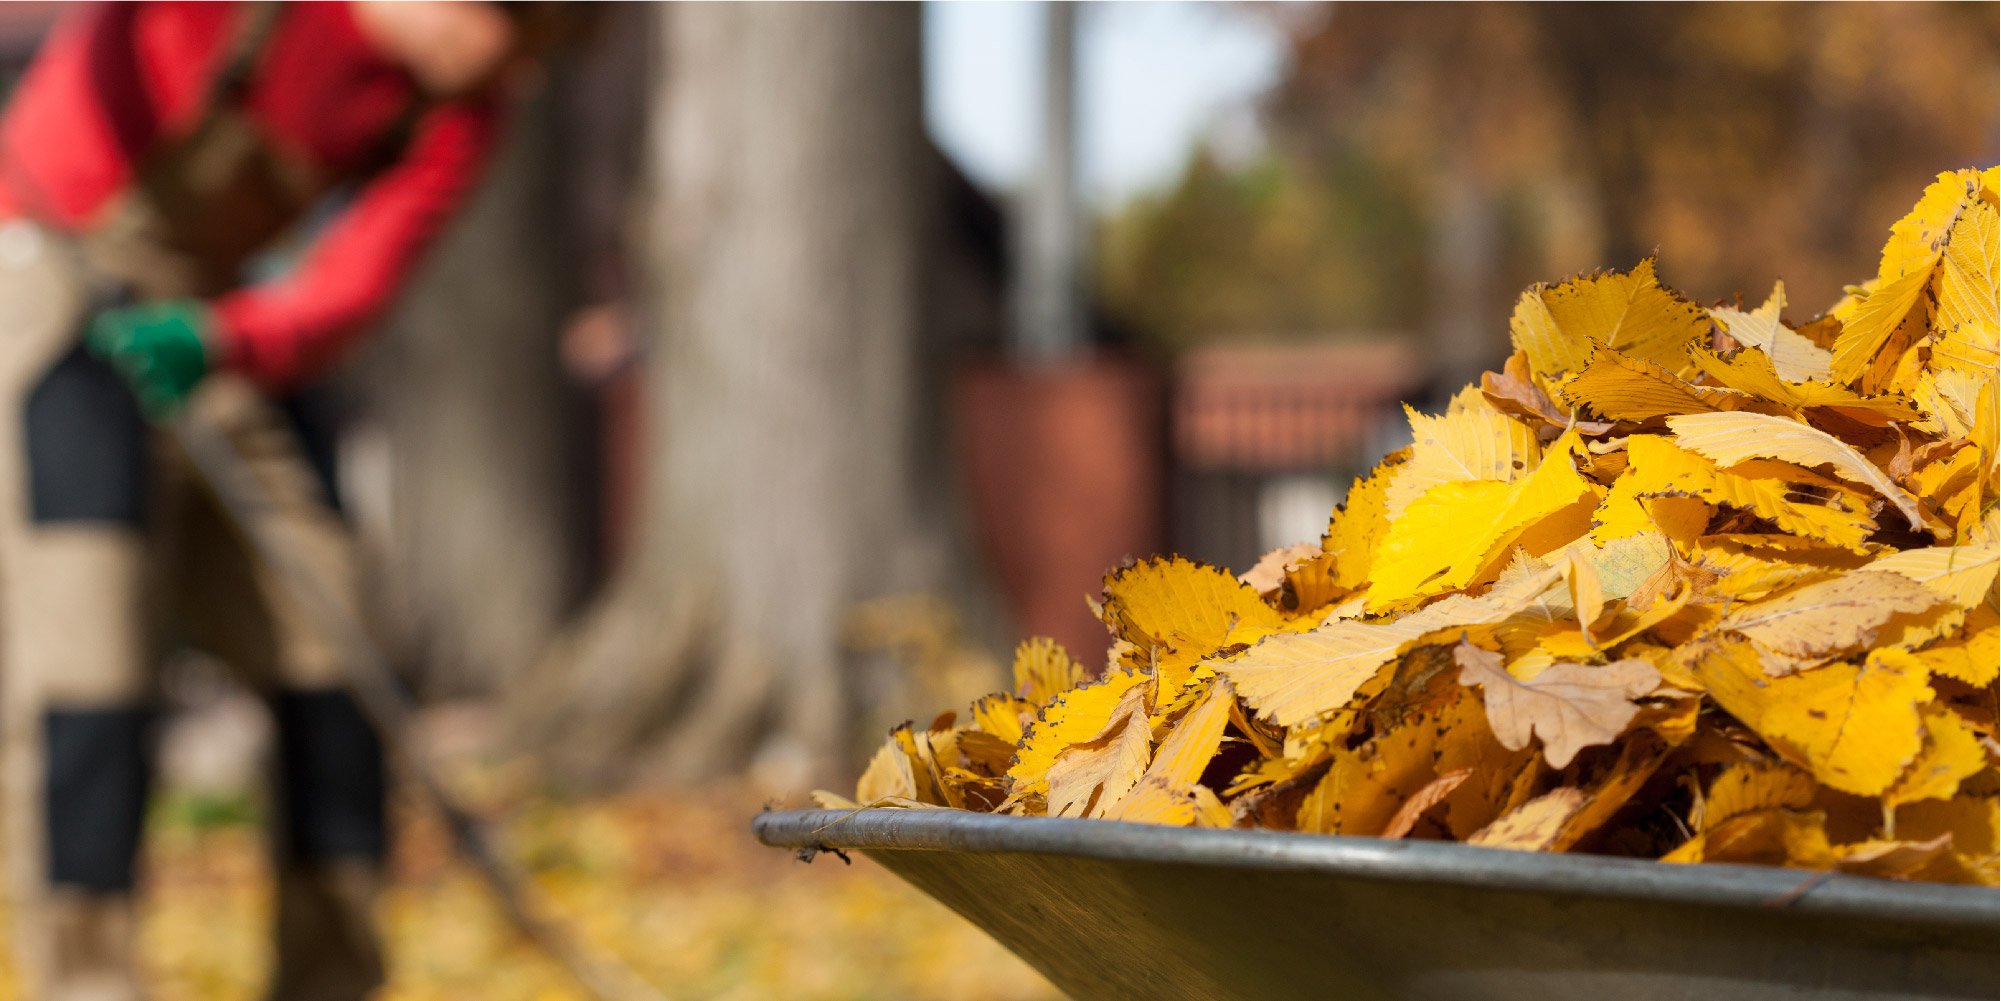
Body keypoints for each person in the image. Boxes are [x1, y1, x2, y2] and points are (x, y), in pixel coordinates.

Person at [0, 4, 573, 998]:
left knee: (336, 641)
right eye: (498, 25)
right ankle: (84, 978)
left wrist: (227, 339)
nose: (495, 61)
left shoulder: (466, 104)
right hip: (53, 271)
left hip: (216, 317)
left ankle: (332, 974)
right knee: (87, 655)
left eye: (526, 50)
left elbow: (357, 278)